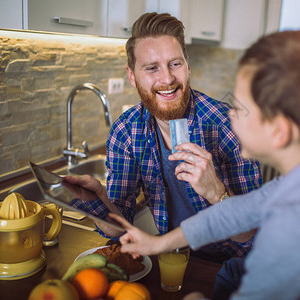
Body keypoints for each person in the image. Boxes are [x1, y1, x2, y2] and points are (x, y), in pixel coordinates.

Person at [111, 28, 300, 299]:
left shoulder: (296, 226)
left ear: (278, 131)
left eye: (241, 108)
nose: (229, 114)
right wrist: (156, 245)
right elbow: (236, 213)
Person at [67, 12, 262, 263]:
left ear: (188, 66)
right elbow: (121, 230)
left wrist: (216, 192)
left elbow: (253, 235)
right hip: (171, 260)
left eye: (175, 64)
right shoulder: (125, 133)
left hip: (231, 266)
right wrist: (99, 202)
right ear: (132, 76)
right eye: (152, 68)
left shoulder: (229, 125)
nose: (167, 79)